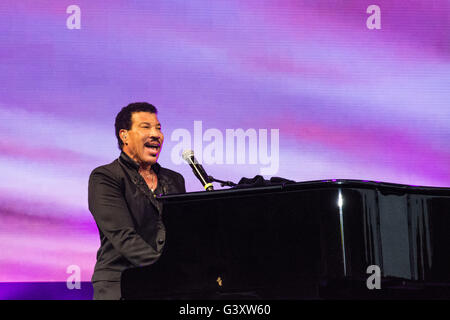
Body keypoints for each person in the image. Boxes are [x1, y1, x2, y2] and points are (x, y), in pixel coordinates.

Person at [88, 102, 186, 300]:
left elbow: (182, 235)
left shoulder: (175, 180)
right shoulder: (106, 177)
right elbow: (123, 236)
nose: (156, 134)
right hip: (121, 284)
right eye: (146, 127)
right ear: (124, 135)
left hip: (170, 287)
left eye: (158, 128)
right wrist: (167, 268)